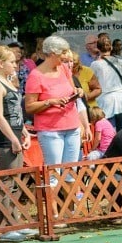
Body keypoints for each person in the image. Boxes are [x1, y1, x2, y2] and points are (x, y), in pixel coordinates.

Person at [24, 36, 84, 170]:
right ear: (52, 53)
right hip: (51, 130)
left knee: (71, 172)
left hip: (72, 126)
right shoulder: (35, 75)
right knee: (54, 174)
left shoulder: (64, 68)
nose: (67, 55)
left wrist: (78, 91)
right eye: (63, 52)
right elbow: (29, 107)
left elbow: (72, 90)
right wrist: (50, 102)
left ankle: (71, 191)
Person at [0, 46, 30, 171]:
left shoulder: (8, 82)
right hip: (5, 140)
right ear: (1, 63)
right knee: (8, 182)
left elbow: (16, 111)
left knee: (17, 181)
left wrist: (25, 133)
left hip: (15, 135)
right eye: (12, 62)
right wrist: (14, 139)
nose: (15, 65)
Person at [90, 35, 122, 131]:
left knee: (109, 131)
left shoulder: (95, 64)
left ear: (98, 48)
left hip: (106, 100)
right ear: (111, 47)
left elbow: (92, 83)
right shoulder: (120, 61)